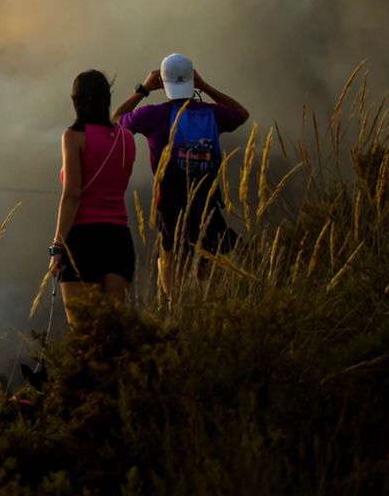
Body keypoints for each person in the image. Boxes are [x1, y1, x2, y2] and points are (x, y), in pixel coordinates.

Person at [115, 53, 248, 302]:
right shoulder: (211, 114)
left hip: (171, 212)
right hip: (208, 209)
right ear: (192, 80)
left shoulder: (152, 116)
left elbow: (114, 121)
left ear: (162, 83)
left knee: (174, 291)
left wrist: (143, 89)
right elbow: (241, 113)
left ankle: (178, 318)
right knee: (215, 291)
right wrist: (205, 86)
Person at [49, 69, 138, 323]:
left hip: (83, 241)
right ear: (106, 98)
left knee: (85, 339)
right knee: (112, 336)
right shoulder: (127, 138)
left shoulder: (73, 137)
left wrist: (57, 247)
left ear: (75, 101)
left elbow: (72, 196)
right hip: (119, 240)